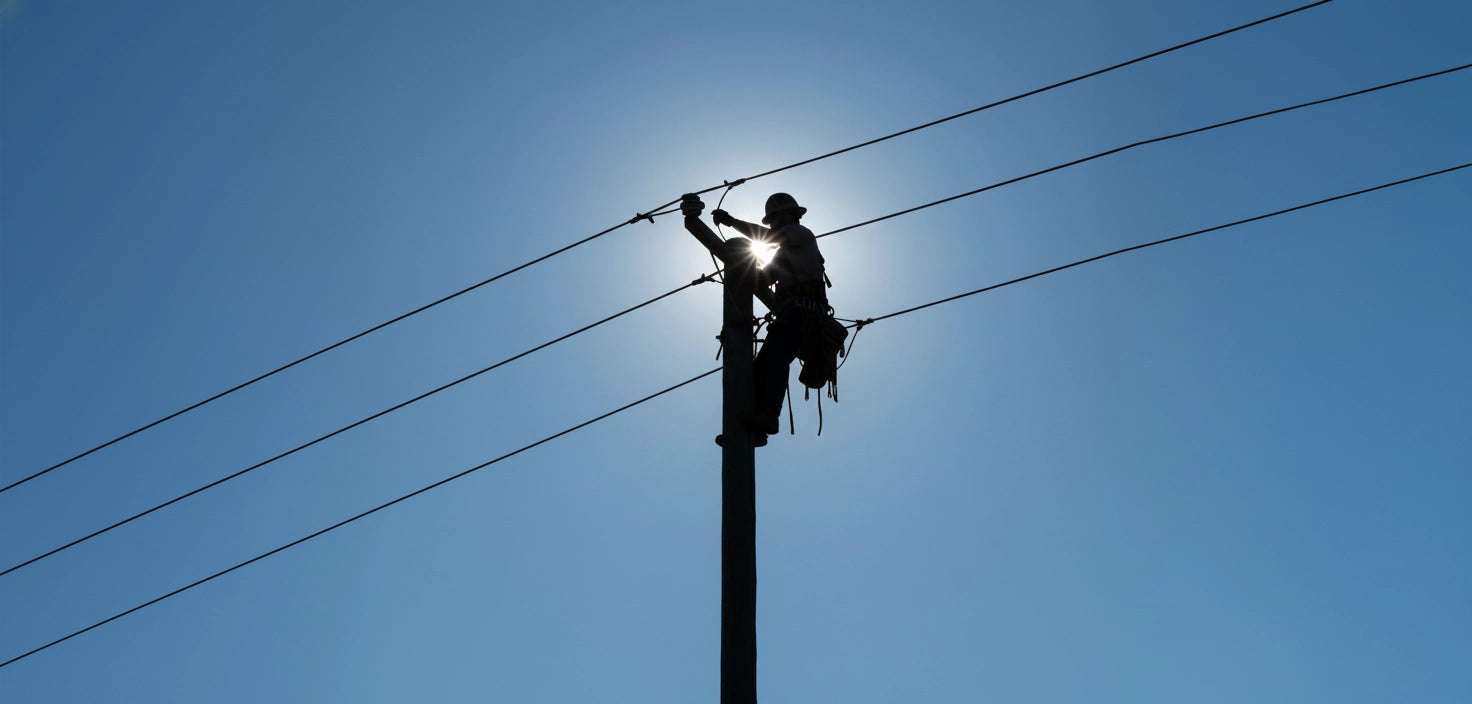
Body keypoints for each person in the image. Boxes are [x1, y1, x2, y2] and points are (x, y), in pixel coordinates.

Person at [684, 192, 829, 441]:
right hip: (794, 311)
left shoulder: (801, 233)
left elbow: (768, 238)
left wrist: (731, 222)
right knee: (759, 369)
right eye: (770, 220)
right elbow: (762, 279)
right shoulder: (785, 255)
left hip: (802, 309)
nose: (772, 224)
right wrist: (736, 265)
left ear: (791, 216)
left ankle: (768, 417)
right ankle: (757, 429)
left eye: (775, 218)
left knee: (775, 360)